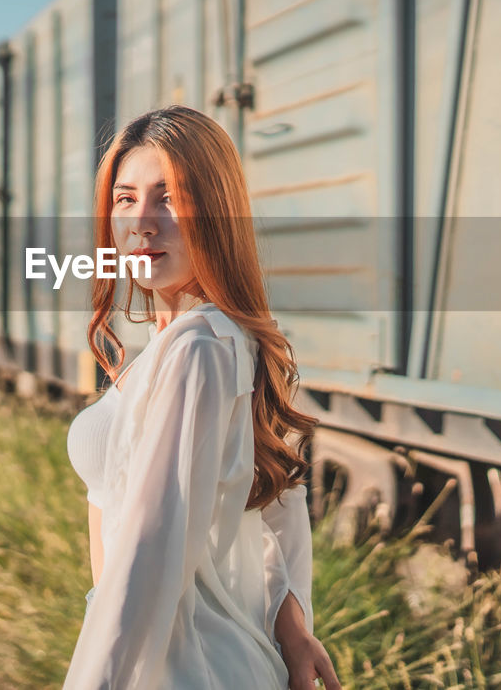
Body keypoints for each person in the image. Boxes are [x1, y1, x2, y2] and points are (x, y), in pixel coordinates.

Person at [64, 106, 343, 690]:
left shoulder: (199, 346)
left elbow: (149, 544)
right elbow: (273, 497)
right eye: (124, 199)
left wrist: (94, 681)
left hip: (180, 664)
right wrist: (289, 626)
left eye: (169, 198)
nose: (141, 223)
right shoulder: (196, 341)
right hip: (174, 657)